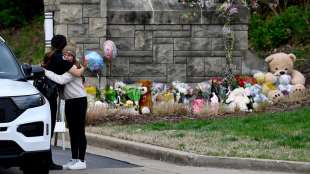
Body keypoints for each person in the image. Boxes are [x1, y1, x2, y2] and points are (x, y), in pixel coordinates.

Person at [41, 35, 86, 170]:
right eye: (65, 54)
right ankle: (74, 159)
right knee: (72, 130)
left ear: (74, 57)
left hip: (79, 101)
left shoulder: (73, 68)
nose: (67, 56)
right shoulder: (68, 66)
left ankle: (81, 160)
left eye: (70, 55)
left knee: (79, 130)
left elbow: (60, 80)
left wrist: (45, 71)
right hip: (70, 102)